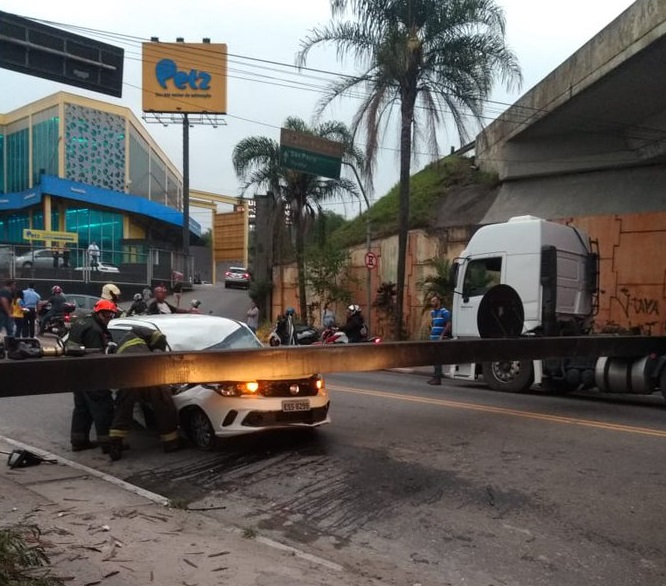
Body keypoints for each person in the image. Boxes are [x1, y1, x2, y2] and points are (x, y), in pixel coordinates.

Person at [107, 325, 180, 461]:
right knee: (163, 403)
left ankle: (115, 445)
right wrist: (158, 352)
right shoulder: (138, 329)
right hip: (149, 369)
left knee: (123, 409)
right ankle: (171, 442)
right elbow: (160, 337)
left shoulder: (117, 349)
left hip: (128, 376)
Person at [66, 299, 117, 453]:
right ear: (99, 313)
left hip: (77, 374)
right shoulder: (95, 330)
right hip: (91, 375)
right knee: (103, 407)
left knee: (82, 408)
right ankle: (107, 444)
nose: (109, 318)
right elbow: (96, 357)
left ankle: (78, 441)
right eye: (107, 314)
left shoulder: (82, 322)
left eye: (111, 315)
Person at [427, 292, 452, 386]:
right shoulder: (433, 312)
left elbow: (449, 324)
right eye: (431, 301)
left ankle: (437, 378)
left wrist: (442, 335)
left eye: (434, 301)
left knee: (437, 358)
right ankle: (436, 376)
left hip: (439, 338)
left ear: (438, 301)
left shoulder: (445, 312)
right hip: (433, 337)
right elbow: (433, 323)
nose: (432, 303)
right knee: (434, 358)